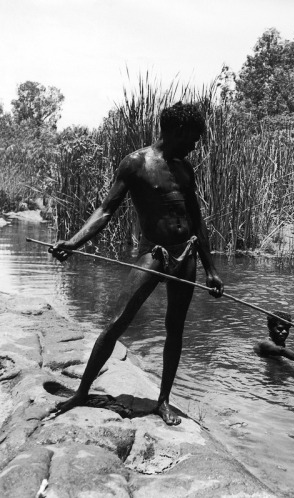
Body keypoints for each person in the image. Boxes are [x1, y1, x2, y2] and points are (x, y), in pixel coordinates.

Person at [50, 102, 224, 425]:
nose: (195, 145)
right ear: (177, 131)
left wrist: (211, 270)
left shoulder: (186, 170)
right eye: (193, 138)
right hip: (153, 253)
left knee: (175, 329)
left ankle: (164, 401)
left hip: (185, 254)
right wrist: (73, 243)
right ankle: (82, 391)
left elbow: (197, 222)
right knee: (118, 319)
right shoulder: (136, 163)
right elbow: (105, 211)